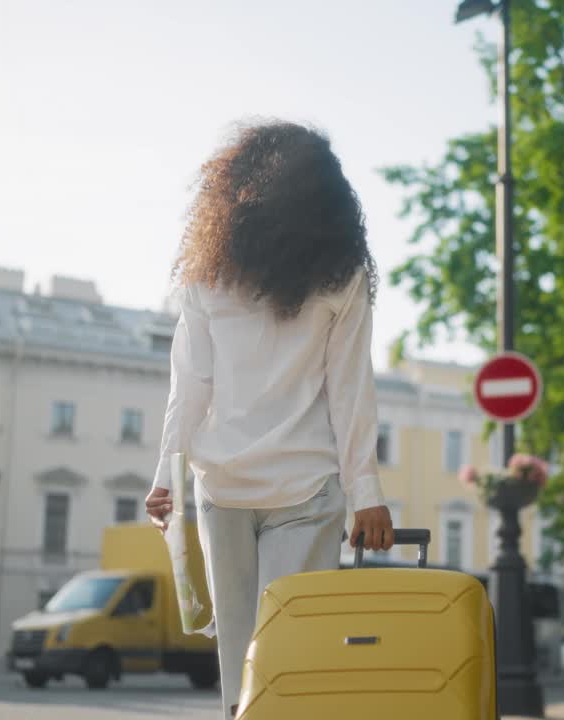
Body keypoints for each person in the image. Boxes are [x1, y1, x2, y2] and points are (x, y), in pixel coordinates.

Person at [145, 120, 394, 719]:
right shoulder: (343, 276)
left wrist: (166, 475)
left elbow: (191, 385)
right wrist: (368, 494)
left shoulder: (209, 274)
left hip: (220, 488)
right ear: (328, 202)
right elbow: (350, 390)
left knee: (240, 665)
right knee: (291, 659)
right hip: (306, 489)